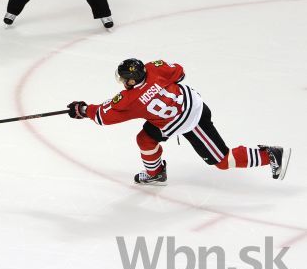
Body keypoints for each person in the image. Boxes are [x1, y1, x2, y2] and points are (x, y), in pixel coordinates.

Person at [67, 58, 291, 184]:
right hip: (187, 105)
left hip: (192, 122)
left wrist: (82, 109)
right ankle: (156, 173)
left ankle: (270, 154)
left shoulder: (130, 100)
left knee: (222, 161)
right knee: (145, 138)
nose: (122, 82)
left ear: (132, 80)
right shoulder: (154, 68)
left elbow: (102, 116)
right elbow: (180, 73)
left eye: (124, 79)